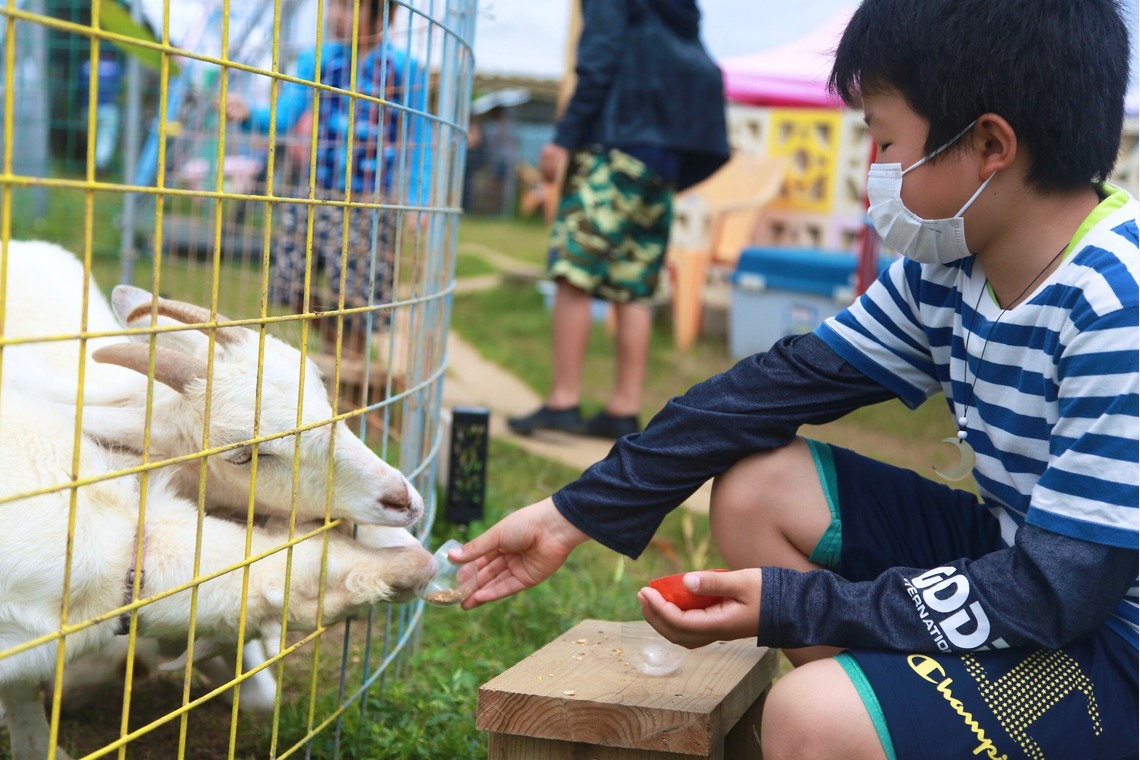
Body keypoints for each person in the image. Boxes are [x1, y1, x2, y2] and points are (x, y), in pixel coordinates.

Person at [453, 1, 1139, 758]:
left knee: (808, 718)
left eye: (884, 139)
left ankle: (858, 728)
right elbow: (773, 388)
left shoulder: (1117, 306)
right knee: (757, 487)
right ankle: (907, 718)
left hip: (1109, 638)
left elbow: (1054, 593)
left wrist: (796, 603)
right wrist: (569, 515)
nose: (874, 170)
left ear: (988, 144)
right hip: (1017, 561)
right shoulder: (947, 273)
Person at [507, 0, 729, 439]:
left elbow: (598, 61)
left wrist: (563, 140)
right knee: (633, 284)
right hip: (661, 161)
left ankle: (563, 401)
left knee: (574, 271)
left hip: (615, 146)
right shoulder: (676, 11)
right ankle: (623, 408)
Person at [224, 0, 431, 356]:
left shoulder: (404, 70)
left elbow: (419, 139)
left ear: (383, 14)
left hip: (369, 204)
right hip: (315, 193)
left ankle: (348, 374)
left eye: (348, 7)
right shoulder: (317, 61)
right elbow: (285, 115)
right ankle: (336, 346)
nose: (336, 15)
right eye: (334, 5)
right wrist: (249, 114)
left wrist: (416, 198)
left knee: (355, 302)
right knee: (289, 283)